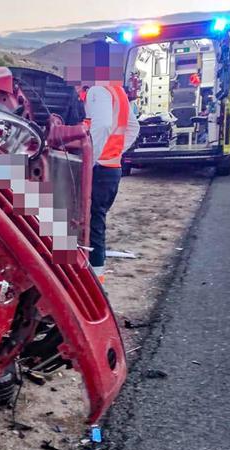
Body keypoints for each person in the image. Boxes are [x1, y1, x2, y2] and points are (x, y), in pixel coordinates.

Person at [66, 40, 140, 282]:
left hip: (99, 169)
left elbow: (103, 125)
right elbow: (133, 127)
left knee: (88, 223)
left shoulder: (98, 91)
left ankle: (94, 277)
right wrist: (115, 152)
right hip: (113, 169)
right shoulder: (117, 91)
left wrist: (90, 159)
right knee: (97, 220)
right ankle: (94, 272)